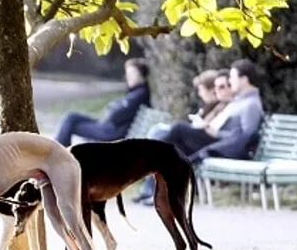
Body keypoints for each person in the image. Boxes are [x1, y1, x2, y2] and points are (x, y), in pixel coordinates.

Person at [135, 69, 231, 203]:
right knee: (164, 148)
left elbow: (220, 131)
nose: (199, 94)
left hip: (212, 145)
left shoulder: (225, 106)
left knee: (175, 130)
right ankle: (153, 192)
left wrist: (204, 125)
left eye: (201, 90)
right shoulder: (212, 106)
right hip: (201, 142)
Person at [166, 60, 265, 165]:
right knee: (178, 148)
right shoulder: (241, 100)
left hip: (220, 145)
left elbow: (246, 138)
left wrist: (216, 133)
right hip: (215, 140)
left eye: (232, 77)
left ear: (244, 80)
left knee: (179, 128)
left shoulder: (251, 104)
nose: (230, 82)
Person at [54, 59, 151, 146]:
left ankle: (57, 154)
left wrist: (114, 107)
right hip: (107, 126)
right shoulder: (135, 92)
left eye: (133, 74)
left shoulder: (139, 94)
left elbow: (114, 115)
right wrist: (115, 107)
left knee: (71, 124)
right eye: (128, 74)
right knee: (71, 116)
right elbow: (114, 109)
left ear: (142, 75)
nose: (129, 77)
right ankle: (60, 154)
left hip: (110, 132)